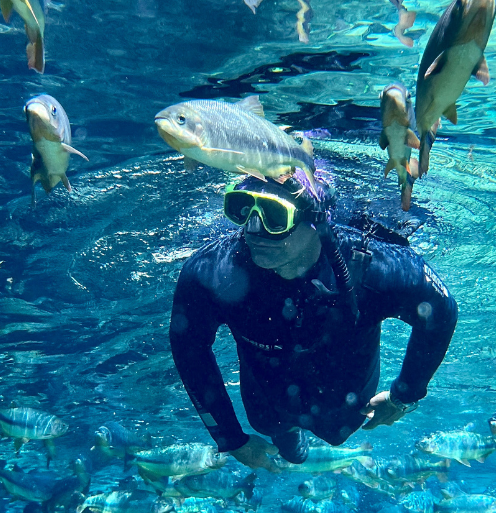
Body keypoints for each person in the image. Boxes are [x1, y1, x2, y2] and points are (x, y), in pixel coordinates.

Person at [169, 171, 457, 470]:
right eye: (242, 208)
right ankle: (292, 442)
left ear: (317, 220)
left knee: (336, 436)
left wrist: (404, 395)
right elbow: (189, 349)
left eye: (274, 216)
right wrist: (229, 437)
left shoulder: (372, 267)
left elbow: (442, 310)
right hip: (267, 403)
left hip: (342, 406)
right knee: (284, 443)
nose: (253, 229)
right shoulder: (212, 273)